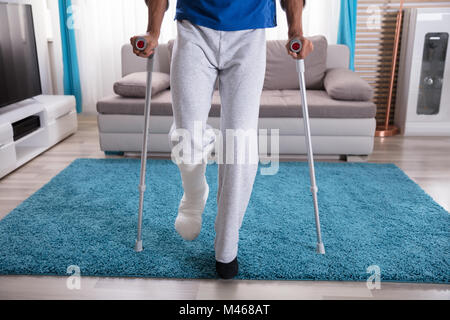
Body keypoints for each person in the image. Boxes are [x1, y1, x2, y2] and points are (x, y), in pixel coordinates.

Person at [131, 0, 313, 279]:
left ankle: (226, 246)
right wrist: (152, 32)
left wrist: (295, 31)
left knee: (240, 141)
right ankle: (194, 195)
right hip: (193, 27)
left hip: (249, 32)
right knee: (187, 133)